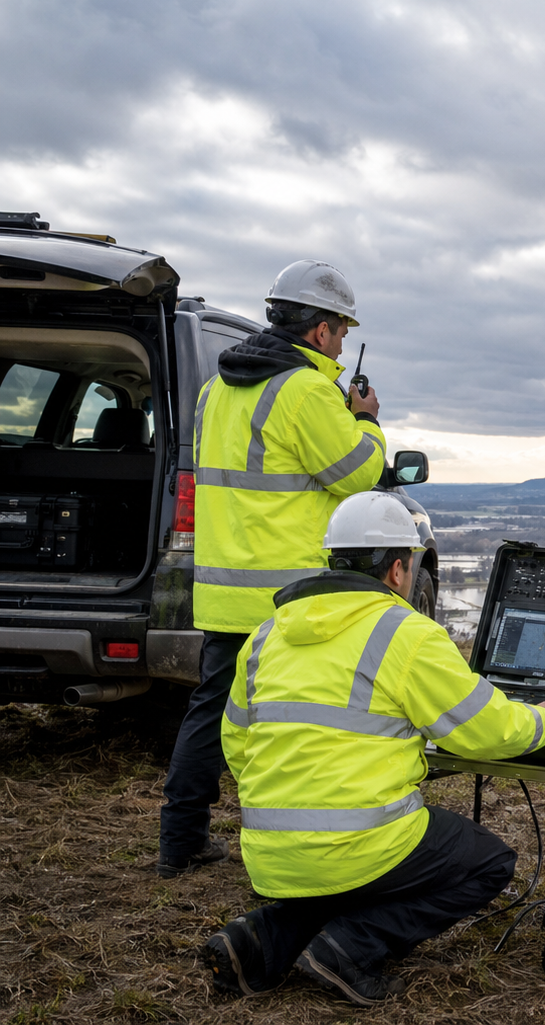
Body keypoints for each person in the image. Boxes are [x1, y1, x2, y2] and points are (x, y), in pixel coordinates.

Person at [203, 492, 545, 1005]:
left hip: (269, 854)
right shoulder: (406, 634)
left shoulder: (265, 636)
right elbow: (487, 729)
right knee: (488, 862)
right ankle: (352, 949)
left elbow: (237, 744)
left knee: (349, 873)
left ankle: (260, 939)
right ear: (398, 569)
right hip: (358, 846)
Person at [157, 260, 387, 878]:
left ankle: (181, 841)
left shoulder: (216, 389)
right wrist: (365, 419)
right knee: (310, 716)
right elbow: (357, 475)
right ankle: (316, 841)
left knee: (211, 713)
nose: (342, 344)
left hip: (224, 590)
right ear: (320, 329)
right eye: (342, 331)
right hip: (290, 597)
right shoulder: (306, 391)